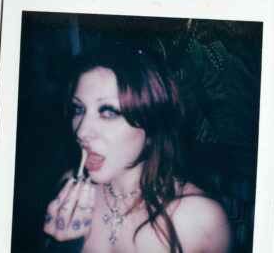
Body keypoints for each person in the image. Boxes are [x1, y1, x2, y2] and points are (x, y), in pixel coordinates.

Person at [41, 46, 231, 253]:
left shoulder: (200, 219)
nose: (81, 131)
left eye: (109, 112)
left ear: (153, 123)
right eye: (79, 109)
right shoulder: (68, 190)